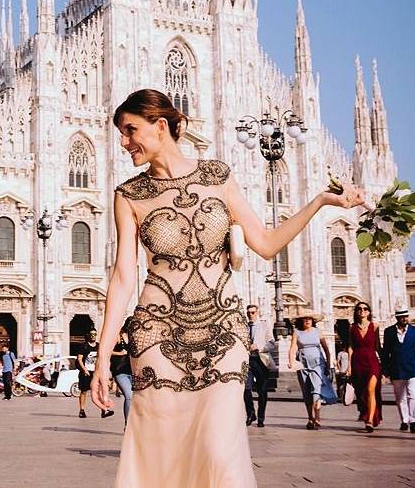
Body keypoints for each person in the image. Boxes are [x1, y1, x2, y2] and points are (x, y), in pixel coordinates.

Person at [90, 89, 365, 488]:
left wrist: (321, 201)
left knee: (220, 450)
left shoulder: (218, 177)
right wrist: (101, 360)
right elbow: (122, 278)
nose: (124, 142)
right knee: (160, 450)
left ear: (161, 126)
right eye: (121, 133)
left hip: (223, 330)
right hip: (157, 335)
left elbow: (267, 243)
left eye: (131, 130)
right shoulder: (129, 196)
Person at [381, 308, 415, 433]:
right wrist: (385, 370)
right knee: (400, 397)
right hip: (396, 369)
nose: (405, 318)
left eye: (406, 316)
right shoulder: (389, 332)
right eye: (402, 316)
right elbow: (385, 352)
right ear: (397, 318)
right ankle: (404, 420)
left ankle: (413, 421)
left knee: (412, 394)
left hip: (413, 368)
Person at [288, 308, 337, 430]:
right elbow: (293, 347)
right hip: (302, 364)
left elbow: (326, 349)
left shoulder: (317, 331)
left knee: (316, 389)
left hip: (317, 364)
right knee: (306, 392)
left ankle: (317, 417)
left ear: (313, 320)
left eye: (309, 318)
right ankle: (310, 417)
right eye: (305, 319)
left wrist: (328, 363)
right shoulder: (297, 332)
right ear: (300, 321)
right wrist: (291, 361)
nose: (307, 320)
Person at [348, 301, 383, 432]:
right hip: (357, 361)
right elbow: (350, 347)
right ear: (356, 312)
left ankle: (369, 420)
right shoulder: (352, 328)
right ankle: (367, 414)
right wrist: (349, 367)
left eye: (365, 309)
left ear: (369, 312)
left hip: (372, 361)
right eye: (359, 309)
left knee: (370, 390)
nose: (362, 311)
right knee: (362, 392)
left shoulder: (375, 326)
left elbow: (378, 346)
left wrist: (384, 367)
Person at [244, 304, 274, 428]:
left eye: (252, 313)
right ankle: (251, 413)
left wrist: (259, 347)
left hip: (261, 361)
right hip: (247, 361)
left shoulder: (265, 326)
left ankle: (261, 417)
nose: (250, 315)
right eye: (248, 313)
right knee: (246, 389)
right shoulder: (243, 327)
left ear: (257, 313)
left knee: (262, 391)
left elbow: (272, 343)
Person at [78, 329, 114, 419]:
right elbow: (79, 358)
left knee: (100, 391)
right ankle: (82, 410)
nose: (93, 336)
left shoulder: (98, 346)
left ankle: (104, 410)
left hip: (96, 372)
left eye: (95, 334)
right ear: (88, 335)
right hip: (86, 372)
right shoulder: (84, 346)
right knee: (84, 391)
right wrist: (84, 369)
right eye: (91, 334)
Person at [110, 317, 134, 426]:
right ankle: (127, 424)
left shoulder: (135, 338)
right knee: (129, 395)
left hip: (133, 371)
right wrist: (121, 353)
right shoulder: (118, 336)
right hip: (120, 370)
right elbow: (108, 350)